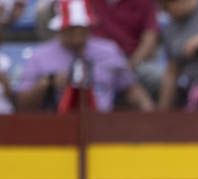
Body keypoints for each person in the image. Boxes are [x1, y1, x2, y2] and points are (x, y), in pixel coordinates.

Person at [15, 0, 153, 112]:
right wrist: (48, 82)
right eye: (70, 30)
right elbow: (21, 105)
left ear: (89, 26)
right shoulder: (39, 57)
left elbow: (131, 89)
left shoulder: (109, 51)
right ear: (59, 29)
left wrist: (148, 111)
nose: (76, 37)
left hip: (103, 126)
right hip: (56, 129)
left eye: (81, 29)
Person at [86, 0, 163, 95]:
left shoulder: (143, 2)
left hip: (132, 61)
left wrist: (131, 64)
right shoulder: (89, 2)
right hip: (96, 61)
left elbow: (150, 37)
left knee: (158, 78)